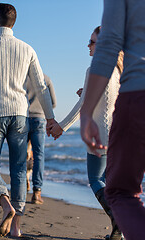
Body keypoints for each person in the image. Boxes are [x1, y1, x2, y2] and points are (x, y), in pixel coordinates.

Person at [0, 3, 60, 237]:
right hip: (19, 114)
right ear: (13, 23)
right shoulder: (27, 49)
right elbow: (41, 87)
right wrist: (50, 118)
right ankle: (16, 226)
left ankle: (4, 202)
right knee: (18, 170)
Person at [50, 26, 123, 240]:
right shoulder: (119, 70)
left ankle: (118, 219)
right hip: (119, 134)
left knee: (96, 179)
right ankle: (118, 232)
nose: (88, 46)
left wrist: (61, 126)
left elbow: (83, 106)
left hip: (99, 135)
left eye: (91, 42)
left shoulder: (94, 69)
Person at [80, 1, 145, 239]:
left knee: (121, 192)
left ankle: (122, 227)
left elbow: (109, 44)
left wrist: (86, 113)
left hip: (137, 93)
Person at [25, 74, 57, 205]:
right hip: (39, 118)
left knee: (20, 154)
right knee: (39, 155)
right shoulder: (46, 78)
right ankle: (37, 192)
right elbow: (53, 103)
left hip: (23, 118)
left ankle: (21, 188)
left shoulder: (21, 76)